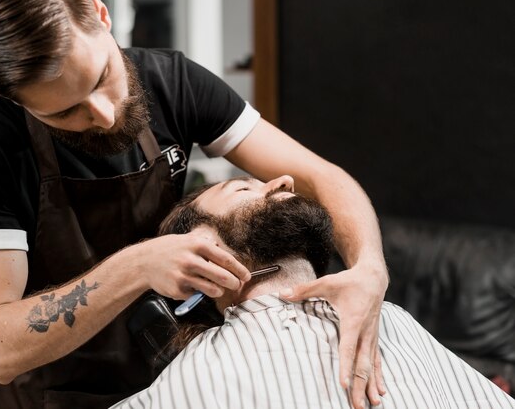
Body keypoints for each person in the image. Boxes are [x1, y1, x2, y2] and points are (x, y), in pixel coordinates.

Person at [0, 0, 388, 407]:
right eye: (64, 112)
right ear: (12, 99)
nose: (103, 114)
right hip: (56, 392)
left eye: (102, 77)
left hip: (173, 371)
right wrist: (138, 267)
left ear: (101, 16)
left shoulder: (174, 82)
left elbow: (318, 176)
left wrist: (369, 267)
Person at [111, 175, 515, 409]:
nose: (284, 179)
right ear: (201, 248)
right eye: (242, 188)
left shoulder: (387, 316)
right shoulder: (201, 369)